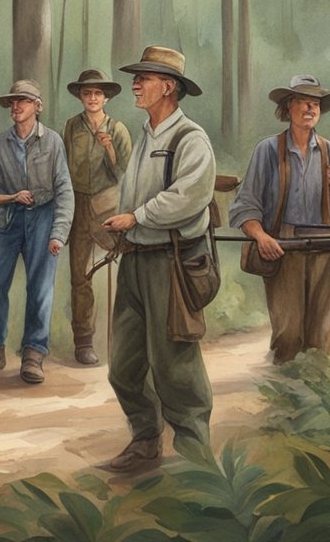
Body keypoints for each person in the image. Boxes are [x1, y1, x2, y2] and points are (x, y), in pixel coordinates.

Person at [99, 45, 217, 473]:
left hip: (171, 263)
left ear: (168, 87)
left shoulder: (191, 138)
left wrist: (137, 216)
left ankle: (196, 458)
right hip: (135, 260)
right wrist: (125, 228)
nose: (135, 83)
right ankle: (145, 441)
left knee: (176, 365)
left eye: (144, 77)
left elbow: (191, 197)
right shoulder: (145, 135)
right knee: (124, 365)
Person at [228, 74, 330, 364]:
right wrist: (262, 237)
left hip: (326, 248)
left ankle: (317, 402)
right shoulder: (267, 150)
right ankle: (282, 400)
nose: (310, 109)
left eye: (315, 104)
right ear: (288, 108)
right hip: (283, 247)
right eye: (303, 102)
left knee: (321, 338)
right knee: (287, 336)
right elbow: (245, 205)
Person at [0, 80, 74, 384]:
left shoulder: (53, 142)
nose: (17, 107)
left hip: (43, 216)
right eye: (13, 102)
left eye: (24, 101)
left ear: (37, 107)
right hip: (8, 218)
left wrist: (59, 233)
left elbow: (64, 191)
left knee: (40, 287)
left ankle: (33, 353)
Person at [60, 69, 133, 365]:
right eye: (87, 93)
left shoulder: (118, 129)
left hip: (109, 206)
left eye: (98, 94)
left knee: (124, 270)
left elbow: (128, 175)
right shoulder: (72, 127)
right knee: (80, 276)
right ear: (80, 96)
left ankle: (128, 338)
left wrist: (110, 150)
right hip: (77, 206)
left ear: (106, 98)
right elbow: (63, 169)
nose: (92, 98)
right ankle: (83, 342)